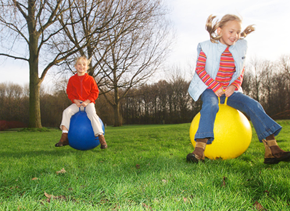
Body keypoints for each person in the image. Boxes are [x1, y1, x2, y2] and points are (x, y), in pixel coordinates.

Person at [187, 14, 290, 164]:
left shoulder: (240, 48)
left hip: (230, 92)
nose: (235, 36)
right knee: (211, 105)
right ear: (219, 30)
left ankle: (272, 150)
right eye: (231, 31)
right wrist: (215, 87)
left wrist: (234, 85)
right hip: (209, 88)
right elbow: (200, 70)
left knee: (253, 105)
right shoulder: (207, 47)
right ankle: (199, 151)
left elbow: (240, 71)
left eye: (238, 32)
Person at [55, 56, 107, 149]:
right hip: (77, 103)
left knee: (92, 114)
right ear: (75, 66)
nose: (81, 66)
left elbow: (95, 92)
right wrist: (75, 100)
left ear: (87, 67)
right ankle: (64, 137)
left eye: (84, 65)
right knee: (66, 112)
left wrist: (87, 101)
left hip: (88, 103)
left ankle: (101, 138)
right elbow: (69, 92)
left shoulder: (90, 79)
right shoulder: (72, 79)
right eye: (79, 64)